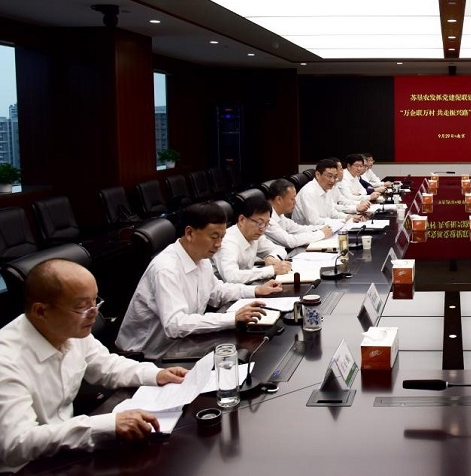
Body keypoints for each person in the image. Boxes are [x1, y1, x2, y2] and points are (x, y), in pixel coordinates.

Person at [0, 260, 187, 472]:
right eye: (81, 307)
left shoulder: (70, 331)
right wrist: (106, 426)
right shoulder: (6, 361)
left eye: (94, 301)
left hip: (67, 450)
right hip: (26, 467)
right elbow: (16, 443)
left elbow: (107, 366)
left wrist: (157, 374)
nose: (94, 313)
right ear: (41, 311)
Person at [116, 202, 283, 356]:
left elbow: (217, 292)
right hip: (147, 355)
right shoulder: (166, 269)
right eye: (214, 237)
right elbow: (175, 324)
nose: (219, 244)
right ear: (190, 233)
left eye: (222, 237)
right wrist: (232, 318)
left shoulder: (201, 258)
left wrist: (256, 290)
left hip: (183, 344)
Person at [213, 198, 292, 283]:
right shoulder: (227, 242)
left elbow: (280, 249)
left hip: (246, 286)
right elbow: (231, 277)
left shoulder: (255, 236)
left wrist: (271, 257)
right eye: (259, 223)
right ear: (242, 220)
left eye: (266, 224)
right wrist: (271, 270)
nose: (263, 229)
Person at [264, 178, 333, 249]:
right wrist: (321, 234)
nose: (295, 202)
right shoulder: (266, 218)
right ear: (279, 199)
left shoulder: (280, 215)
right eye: (292, 199)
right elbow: (290, 242)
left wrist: (323, 228)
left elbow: (298, 229)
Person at [293, 159, 366, 226]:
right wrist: (344, 220)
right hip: (309, 232)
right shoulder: (309, 192)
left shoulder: (326, 189)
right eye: (329, 176)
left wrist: (349, 217)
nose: (332, 181)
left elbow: (332, 213)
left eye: (335, 177)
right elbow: (314, 222)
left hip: (325, 229)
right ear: (318, 175)